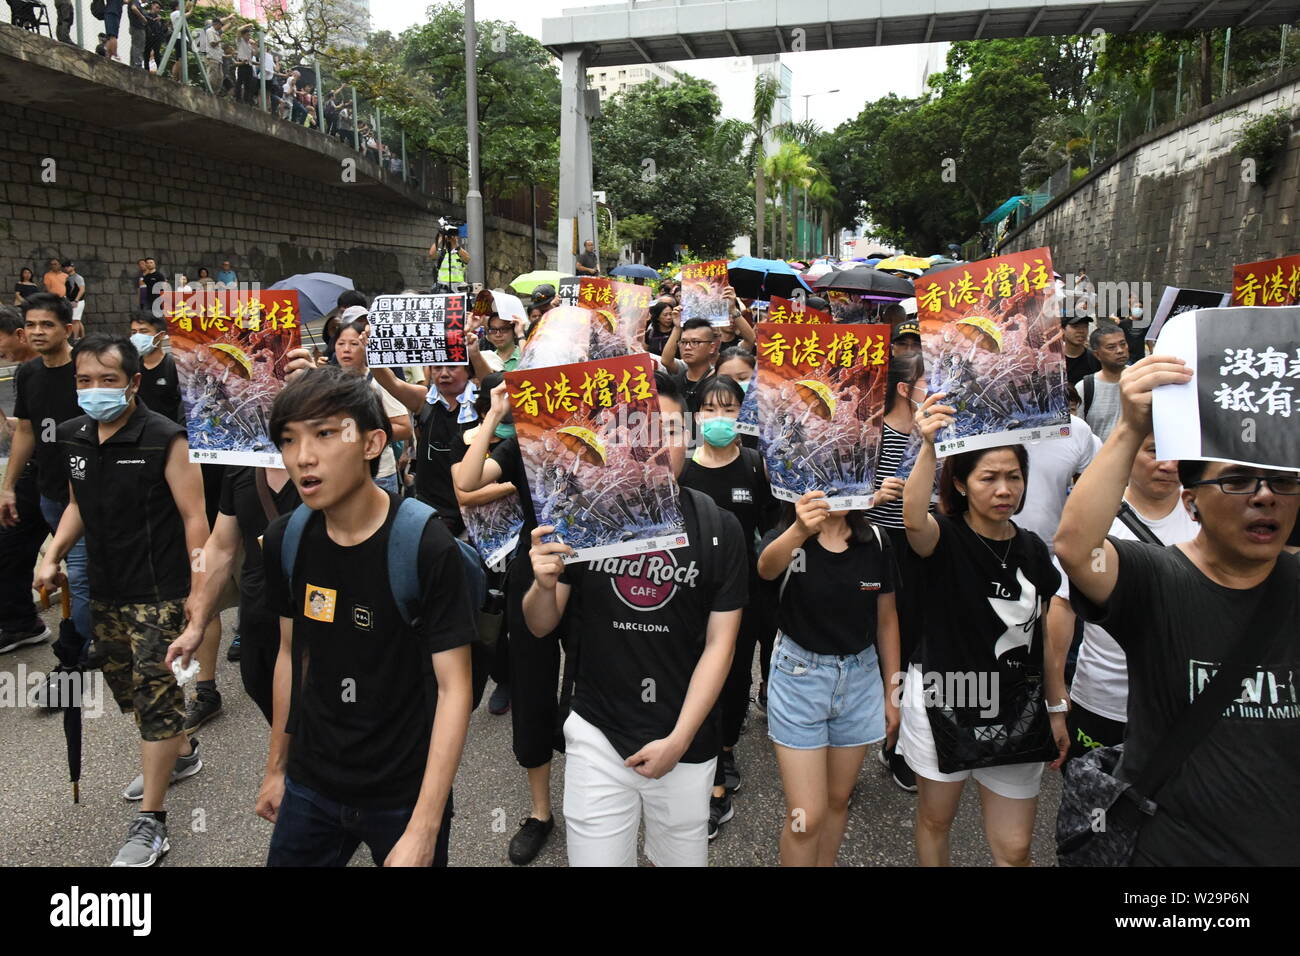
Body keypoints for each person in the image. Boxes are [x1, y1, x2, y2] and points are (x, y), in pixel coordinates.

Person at [1054, 354, 1300, 864]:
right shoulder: (1156, 578)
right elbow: (1076, 547)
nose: (1264, 497)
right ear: (1193, 504)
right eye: (1235, 481)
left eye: (1282, 482)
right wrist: (1129, 427)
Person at [251, 366, 475, 866]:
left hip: (402, 793)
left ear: (374, 443)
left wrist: (425, 825)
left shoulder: (423, 544)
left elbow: (454, 688)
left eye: (326, 434)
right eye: (288, 440)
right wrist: (276, 767)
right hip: (312, 782)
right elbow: (291, 654)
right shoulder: (288, 540)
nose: (302, 457)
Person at [523, 372, 746, 866]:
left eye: (667, 430)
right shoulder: (586, 516)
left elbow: (721, 645)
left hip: (684, 742)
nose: (656, 446)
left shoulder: (718, 527)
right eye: (638, 431)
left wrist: (680, 739)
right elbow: (541, 624)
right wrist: (542, 583)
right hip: (597, 733)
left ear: (687, 433)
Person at [35, 334, 209, 867]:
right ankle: (179, 754)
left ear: (133, 383)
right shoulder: (72, 436)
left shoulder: (165, 437)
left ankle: (151, 822)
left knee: (154, 695)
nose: (94, 390)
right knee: (125, 687)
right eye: (84, 381)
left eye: (107, 380)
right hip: (103, 589)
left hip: (157, 591)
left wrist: (199, 595)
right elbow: (76, 505)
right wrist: (52, 552)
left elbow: (194, 518)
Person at [899, 392, 1068, 866]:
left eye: (1013, 477)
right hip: (943, 700)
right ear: (962, 483)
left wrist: (1056, 708)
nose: (1003, 489)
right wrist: (928, 446)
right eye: (988, 478)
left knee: (1015, 849)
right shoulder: (943, 535)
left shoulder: (1035, 550)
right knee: (936, 820)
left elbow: (1047, 638)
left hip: (1020, 705)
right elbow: (913, 520)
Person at [757, 491, 900, 865]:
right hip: (799, 677)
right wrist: (801, 529)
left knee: (838, 801)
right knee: (806, 816)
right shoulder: (791, 536)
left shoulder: (876, 541)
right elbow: (766, 568)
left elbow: (887, 620)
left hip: (860, 677)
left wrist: (892, 693)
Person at [455, 381, 564, 865]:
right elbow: (468, 480)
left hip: (601, 570)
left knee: (603, 675)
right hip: (536, 568)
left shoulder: (613, 431)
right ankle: (541, 813)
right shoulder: (525, 441)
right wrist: (495, 411)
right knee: (532, 682)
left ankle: (611, 792)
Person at [1047, 435, 1197, 761]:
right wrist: (1055, 693)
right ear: (1129, 452)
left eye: (1179, 453)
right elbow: (1063, 604)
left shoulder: (1208, 516)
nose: (1169, 465)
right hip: (1100, 697)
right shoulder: (1096, 520)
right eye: (1155, 451)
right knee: (1096, 801)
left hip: (1183, 702)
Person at [679, 375, 777, 838]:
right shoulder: (682, 468)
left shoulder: (757, 466)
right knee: (694, 671)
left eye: (730, 410)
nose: (720, 420)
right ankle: (700, 749)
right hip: (692, 594)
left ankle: (727, 746)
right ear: (696, 416)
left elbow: (773, 525)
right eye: (711, 410)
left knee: (736, 674)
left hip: (745, 594)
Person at [177, 462, 301, 724]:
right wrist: (197, 620)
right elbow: (221, 546)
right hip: (258, 612)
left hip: (321, 617)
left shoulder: (330, 463)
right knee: (260, 685)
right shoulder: (240, 470)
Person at [2, 295, 94, 646]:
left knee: (82, 577)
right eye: (33, 325)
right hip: (50, 494)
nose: (38, 332)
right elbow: (27, 430)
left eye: (48, 324)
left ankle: (76, 658)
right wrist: (9, 486)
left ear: (67, 329)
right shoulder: (28, 373)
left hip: (88, 497)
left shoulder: (89, 369)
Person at [862, 351, 928, 792]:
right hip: (873, 548)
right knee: (870, 643)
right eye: (928, 381)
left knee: (910, 642)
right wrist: (874, 496)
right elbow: (839, 491)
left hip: (920, 549)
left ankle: (899, 742)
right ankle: (853, 736)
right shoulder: (869, 429)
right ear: (905, 389)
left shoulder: (940, 430)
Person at [0, 308, 51, 654]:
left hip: (71, 478)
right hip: (32, 476)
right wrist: (8, 486)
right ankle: (21, 624)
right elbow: (20, 433)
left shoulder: (68, 368)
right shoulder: (23, 374)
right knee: (8, 546)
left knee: (85, 562)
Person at [330, 319, 413, 495]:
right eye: (340, 343)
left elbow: (405, 428)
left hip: (378, 474)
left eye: (354, 343)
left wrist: (362, 432)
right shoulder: (328, 384)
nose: (346, 349)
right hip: (339, 472)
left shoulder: (380, 382)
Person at [1015, 411, 1100, 557]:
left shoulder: (1077, 430)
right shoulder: (979, 428)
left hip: (1053, 556)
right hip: (986, 553)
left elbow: (1092, 497)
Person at [129, 312, 182, 424]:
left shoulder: (173, 367)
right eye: (134, 332)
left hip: (168, 433)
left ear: (161, 335)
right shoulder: (131, 366)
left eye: (144, 331)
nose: (137, 337)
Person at [1079, 322, 1128, 441]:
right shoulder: (1084, 388)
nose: (1120, 350)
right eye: (1111, 347)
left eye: (1123, 344)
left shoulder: (1141, 378)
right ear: (1097, 354)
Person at [662, 318, 720, 410]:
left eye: (695, 342)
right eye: (684, 342)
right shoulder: (672, 384)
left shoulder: (720, 383)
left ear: (712, 347)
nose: (687, 347)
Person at [1061, 312, 1099, 385]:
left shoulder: (1095, 358)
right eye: (1075, 326)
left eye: (1085, 326)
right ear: (1063, 329)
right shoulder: (1054, 361)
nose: (1081, 331)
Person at [234, 24, 257, 104]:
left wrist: (254, 45)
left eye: (249, 35)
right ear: (243, 35)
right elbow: (238, 30)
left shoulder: (249, 45)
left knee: (248, 84)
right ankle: (238, 98)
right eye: (247, 35)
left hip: (249, 65)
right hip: (242, 63)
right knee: (239, 82)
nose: (249, 37)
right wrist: (247, 25)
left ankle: (246, 100)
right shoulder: (240, 41)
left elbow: (253, 54)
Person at [63, 261, 86, 336]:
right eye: (65, 267)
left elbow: (82, 290)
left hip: (78, 301)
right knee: (78, 321)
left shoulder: (78, 277)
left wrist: (76, 300)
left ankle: (76, 338)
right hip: (71, 301)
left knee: (75, 320)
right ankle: (82, 337)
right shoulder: (67, 278)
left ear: (73, 267)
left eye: (68, 266)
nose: (66, 268)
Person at [127, 0, 148, 69]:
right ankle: (138, 65)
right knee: (139, 46)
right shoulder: (135, 1)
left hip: (134, 27)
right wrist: (142, 18)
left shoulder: (134, 2)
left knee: (135, 46)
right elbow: (134, 8)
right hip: (138, 27)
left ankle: (133, 64)